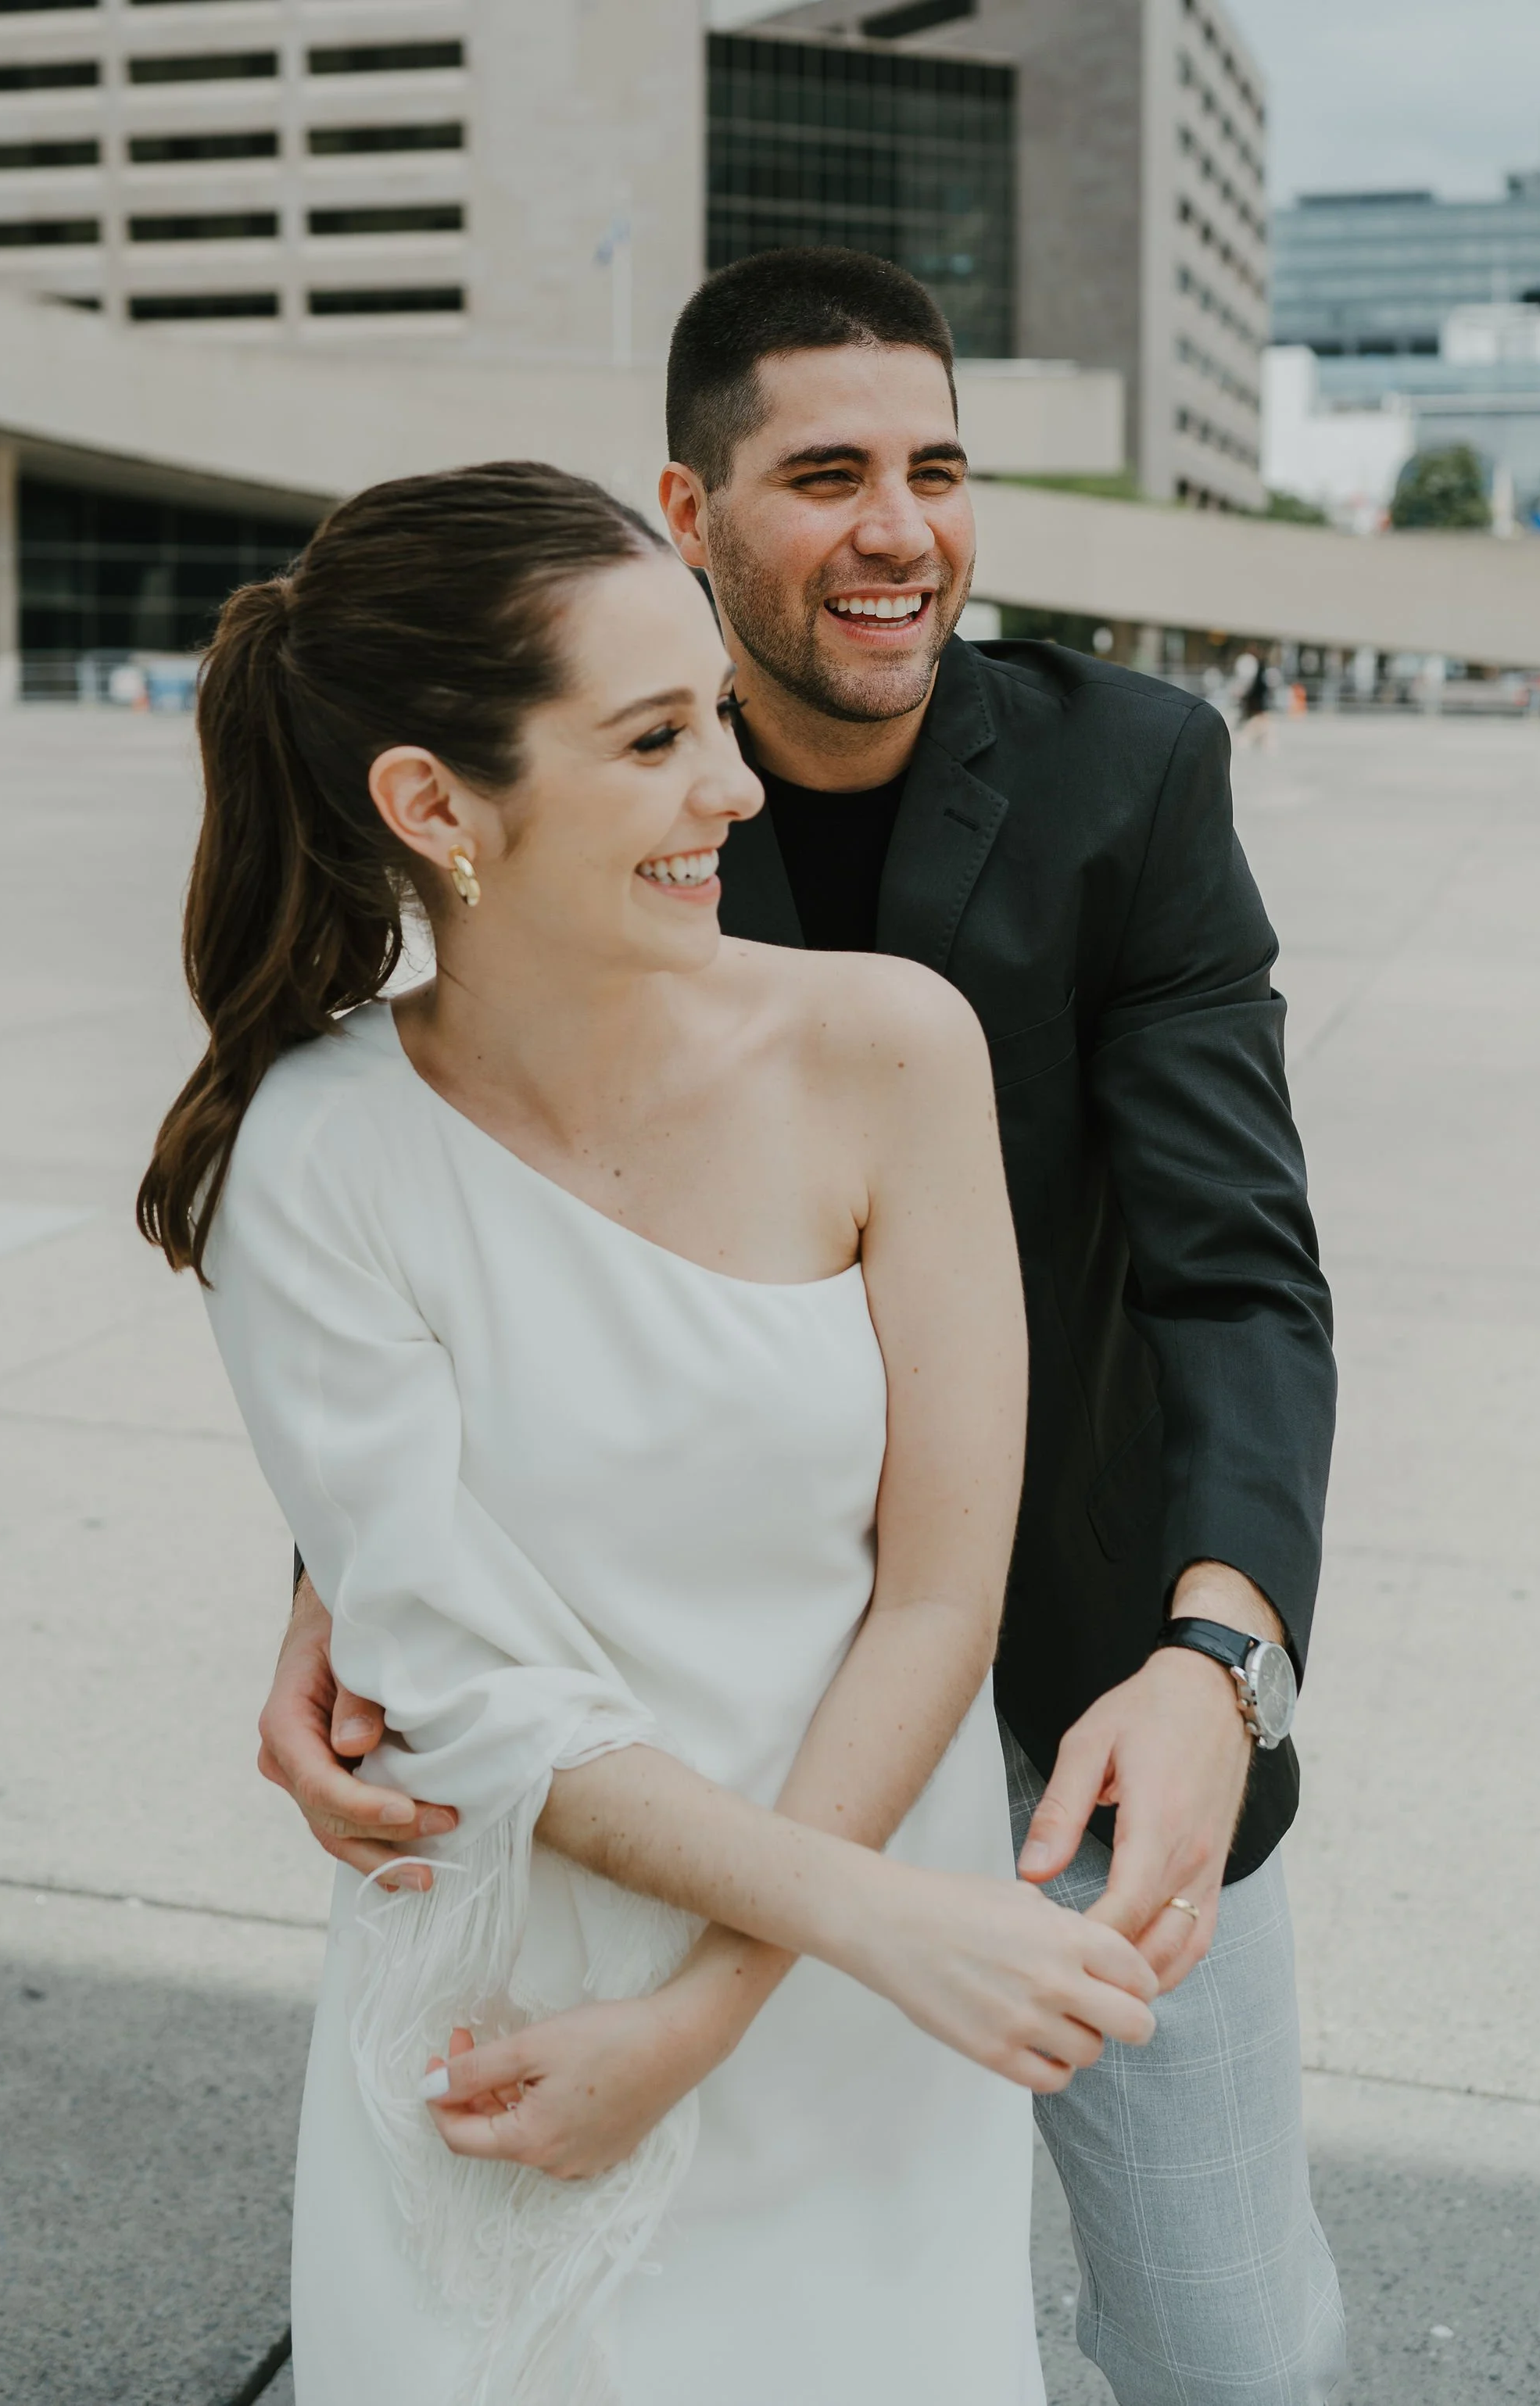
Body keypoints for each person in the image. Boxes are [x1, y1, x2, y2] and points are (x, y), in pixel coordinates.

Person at [263, 253, 1347, 2404]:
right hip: (691, 1707)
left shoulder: (1131, 770)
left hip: (1082, 1684)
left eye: (939, 469)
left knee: (1233, 2342)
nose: (901, 528)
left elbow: (1237, 1261)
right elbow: (468, 1197)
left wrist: (1223, 1654)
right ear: (686, 505)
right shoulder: (578, 784)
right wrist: (342, 1555)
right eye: (828, 471)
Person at [138, 461, 1162, 2405]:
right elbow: (464, 1685)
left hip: (860, 2012)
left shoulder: (892, 1049)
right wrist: (867, 1925)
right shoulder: (313, 1152)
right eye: (654, 737)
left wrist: (730, 2000)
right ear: (436, 806)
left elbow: (940, 1594)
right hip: (527, 2018)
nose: (739, 788)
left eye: (714, 710)